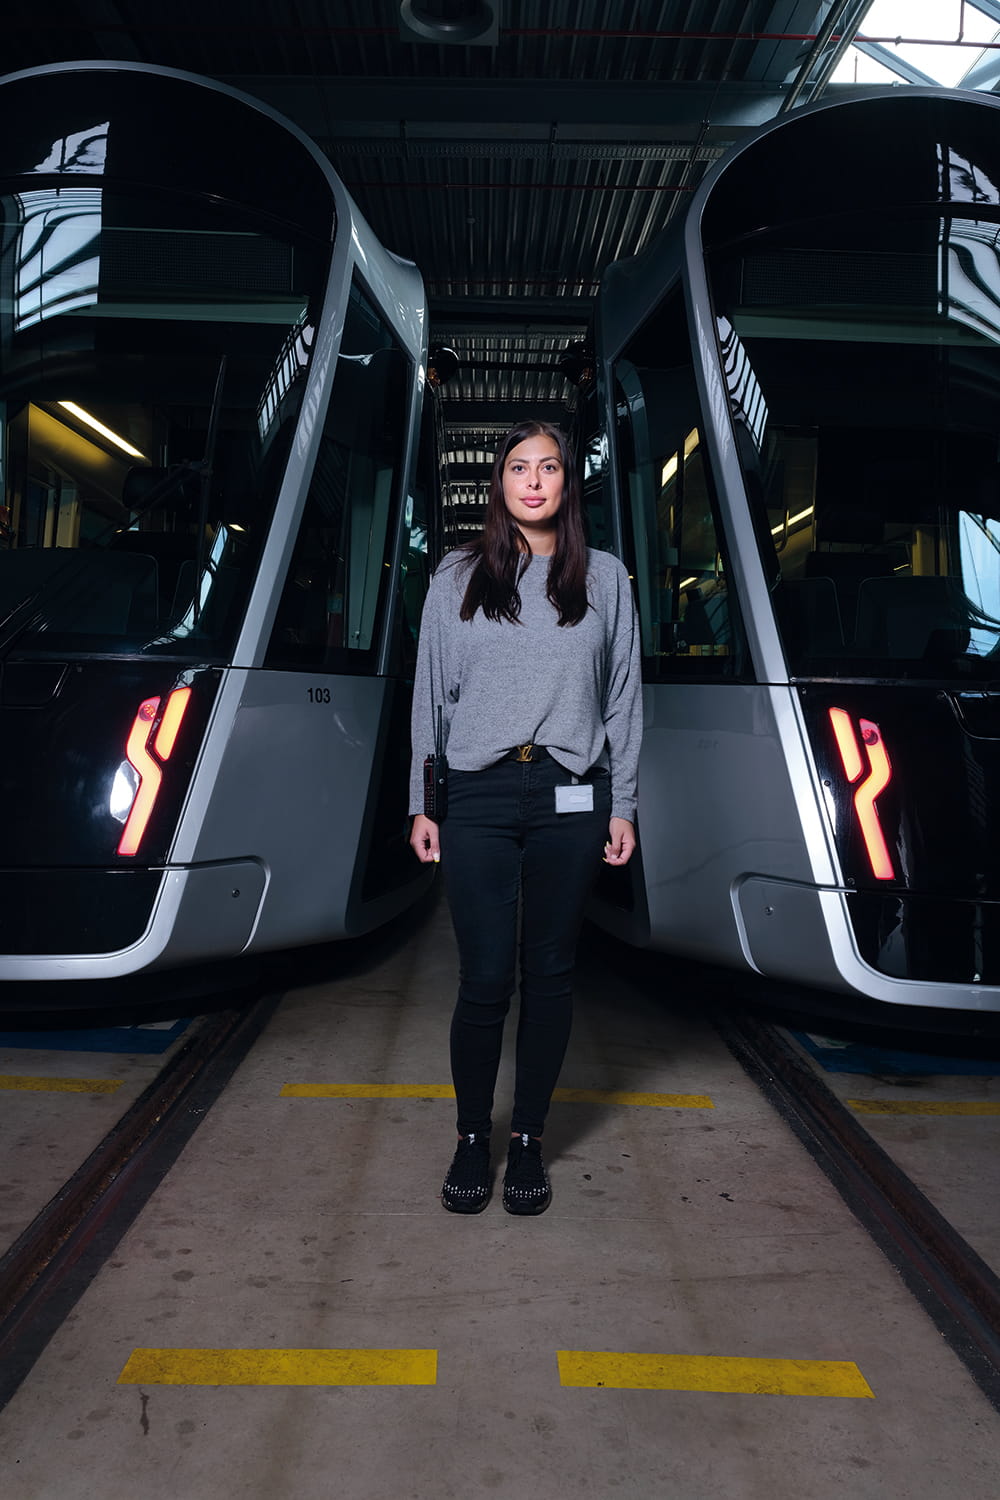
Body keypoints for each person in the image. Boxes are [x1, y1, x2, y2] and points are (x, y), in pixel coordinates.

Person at [409, 418, 641, 1216]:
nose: (534, 481)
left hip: (571, 797)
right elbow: (429, 694)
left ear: (567, 483)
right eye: (518, 467)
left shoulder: (604, 578)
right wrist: (422, 801)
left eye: (549, 468)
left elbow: (624, 702)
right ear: (499, 483)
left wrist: (625, 804)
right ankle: (473, 1136)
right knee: (483, 980)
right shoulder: (457, 576)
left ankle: (528, 1142)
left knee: (550, 975)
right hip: (474, 794)